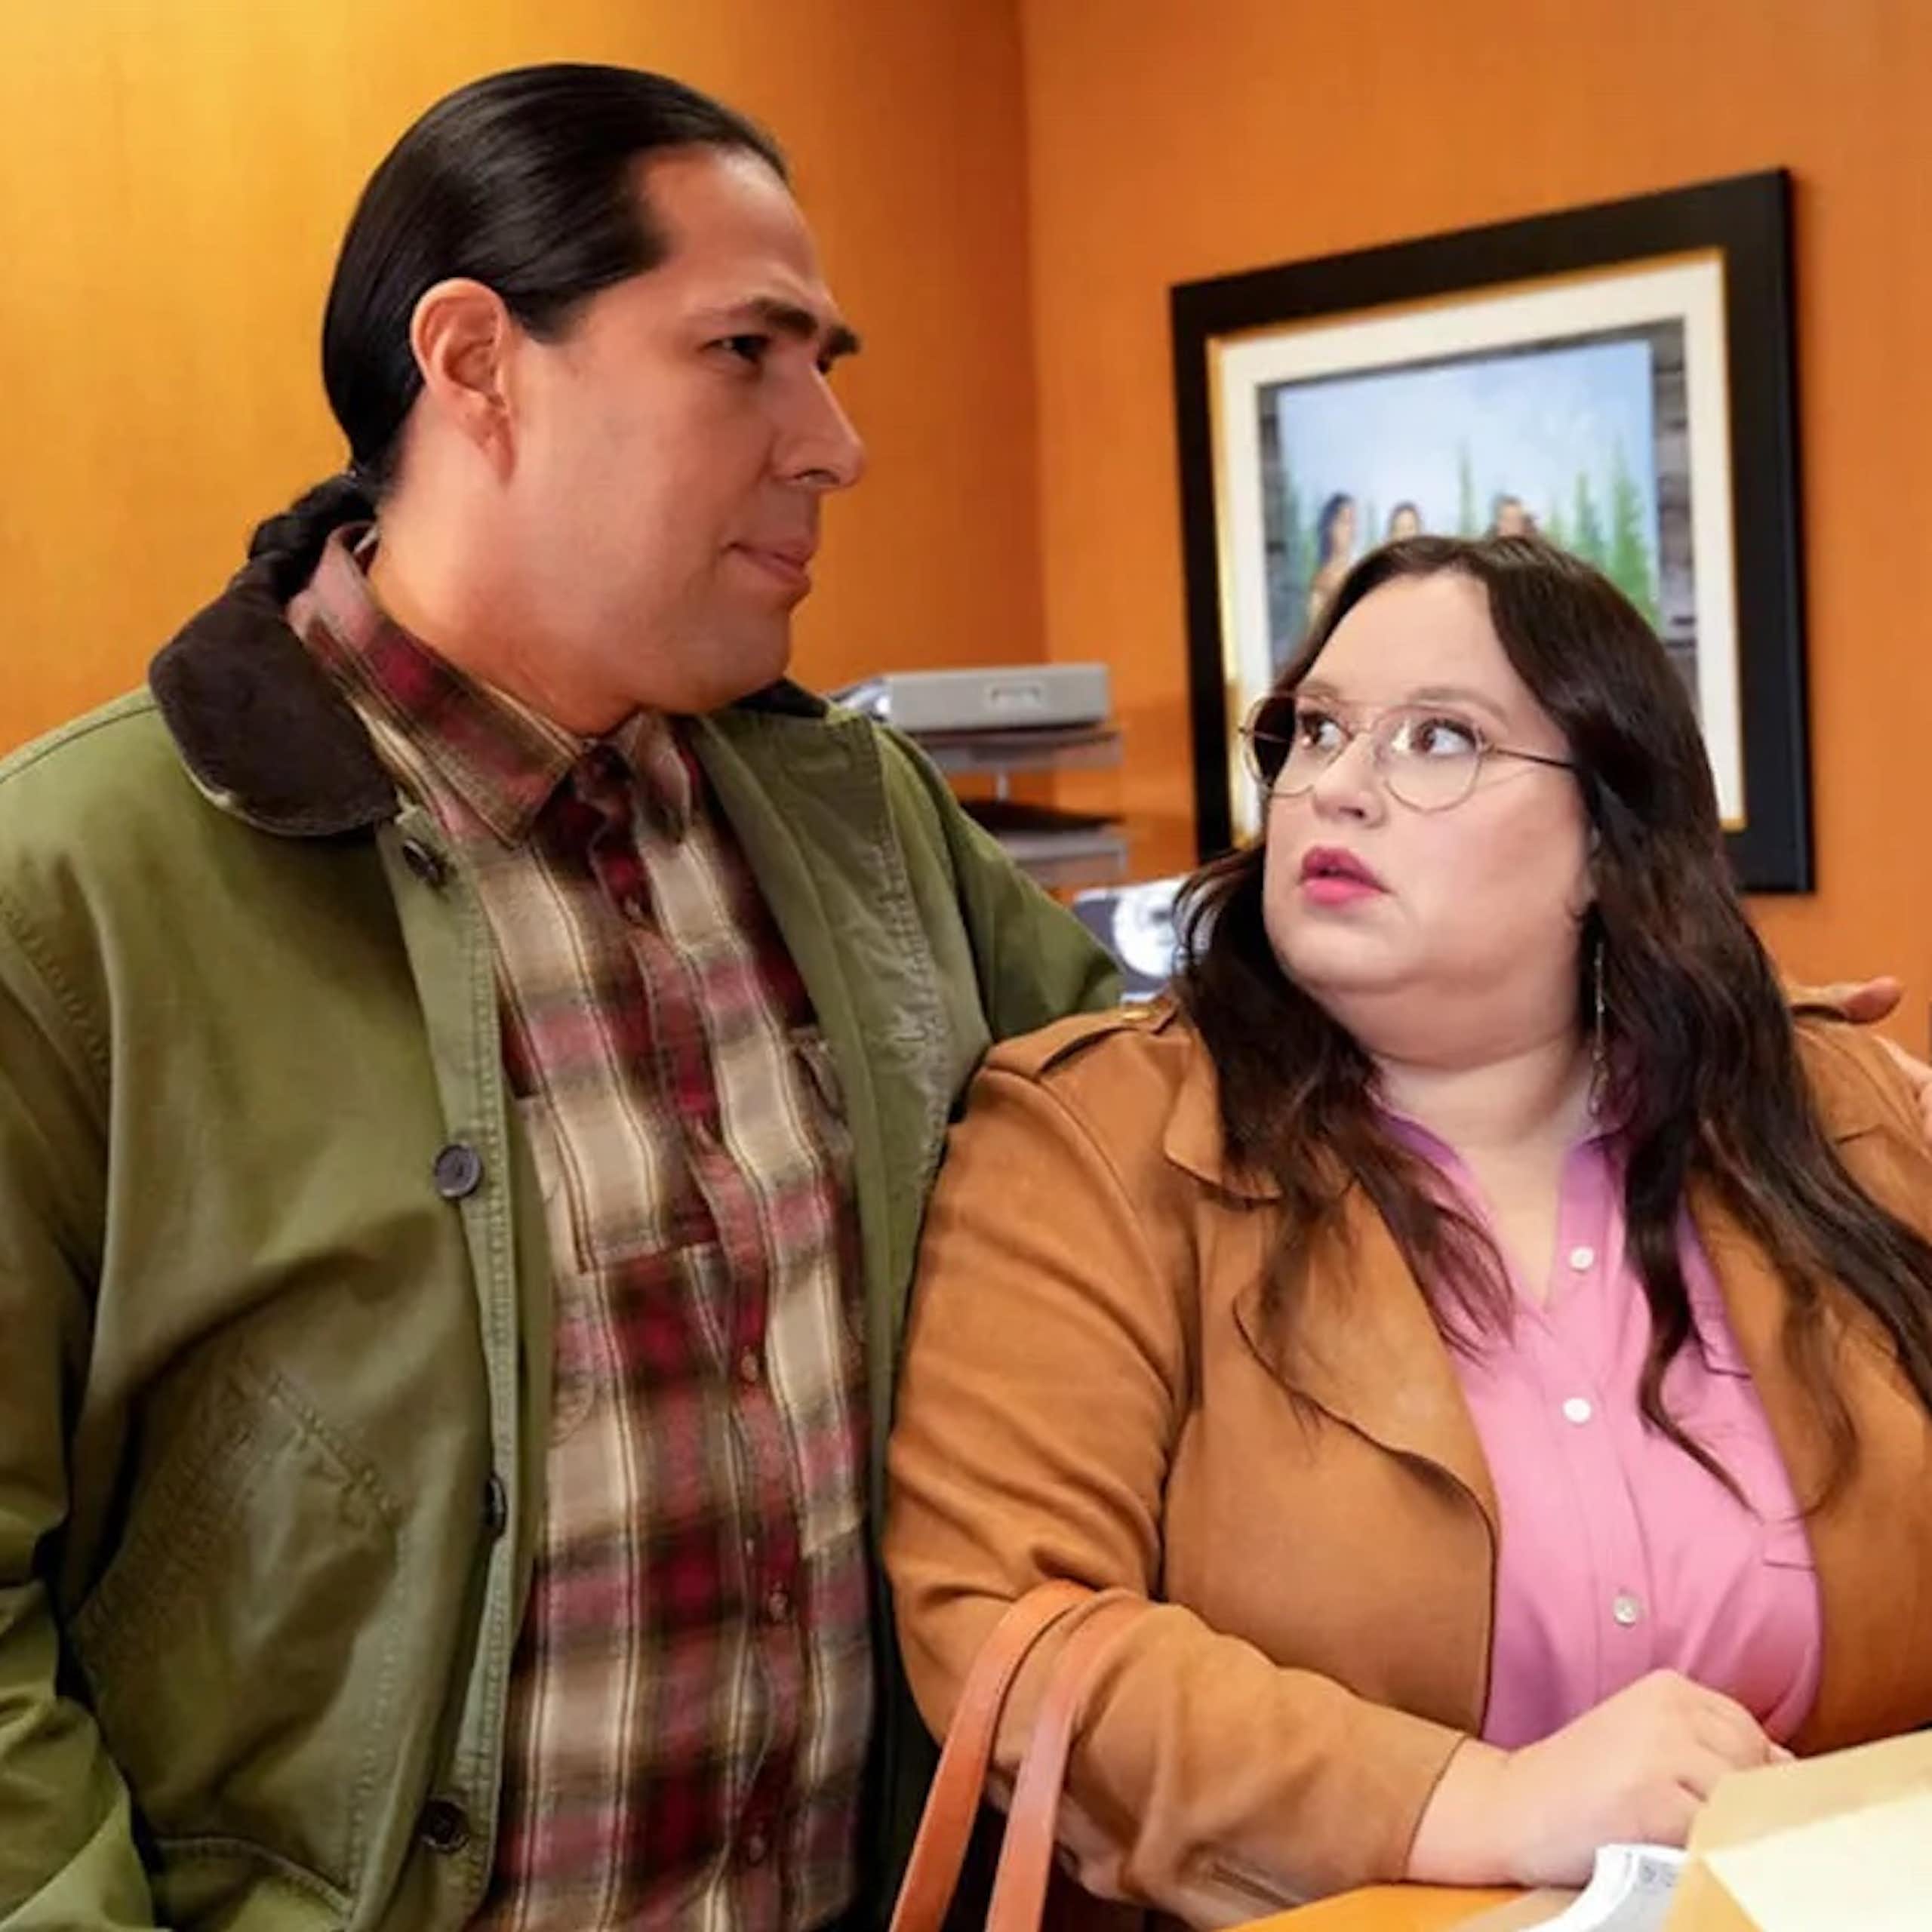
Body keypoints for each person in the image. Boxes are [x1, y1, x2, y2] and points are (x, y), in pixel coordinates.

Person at [0, 64, 1118, 1932]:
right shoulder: (68, 892)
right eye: (746, 350)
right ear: (477, 362)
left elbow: (1169, 1127)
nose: (833, 438)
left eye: (825, 360)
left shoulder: (863, 819)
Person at [887, 535, 1932, 1925]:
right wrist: (1472, 1804)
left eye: (1440, 738)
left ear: (1608, 847)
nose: (1338, 788)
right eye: (1316, 730)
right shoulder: (1097, 1141)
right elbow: (1013, 1636)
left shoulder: (1830, 1111)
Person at [1304, 491, 1358, 629]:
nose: (1351, 529)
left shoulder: (1362, 573)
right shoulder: (1322, 582)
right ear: (1330, 527)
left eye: (1353, 521)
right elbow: (1317, 630)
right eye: (1345, 521)